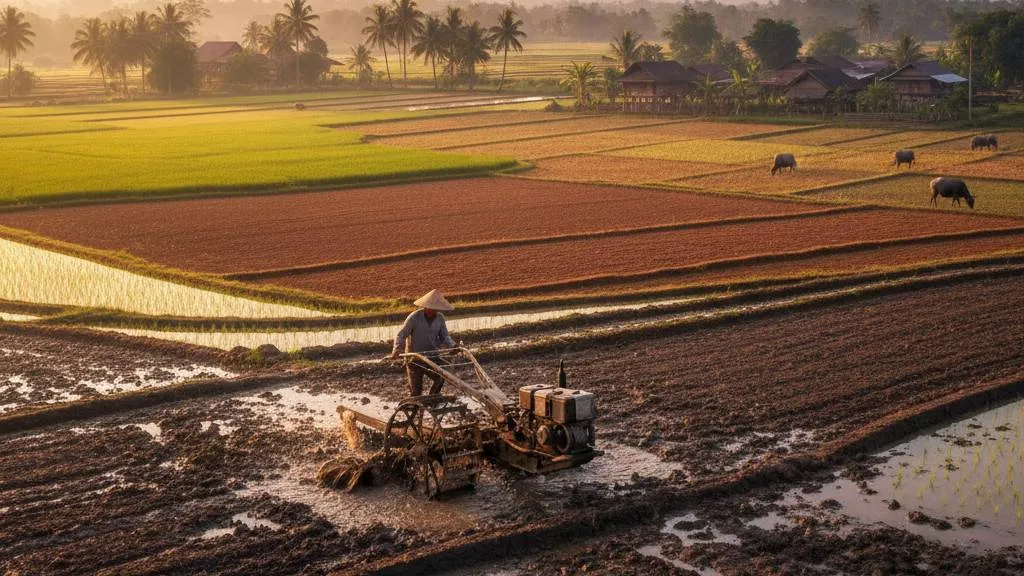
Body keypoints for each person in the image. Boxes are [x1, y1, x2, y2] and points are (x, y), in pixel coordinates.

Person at [391, 289, 457, 397]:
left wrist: (453, 346)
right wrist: (397, 348)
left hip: (432, 357)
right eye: (433, 308)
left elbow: (445, 336)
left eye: (437, 309)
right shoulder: (414, 317)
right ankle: (415, 405)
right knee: (416, 391)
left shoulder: (440, 318)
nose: (435, 311)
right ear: (426, 307)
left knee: (440, 378)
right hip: (414, 359)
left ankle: (432, 400)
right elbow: (401, 334)